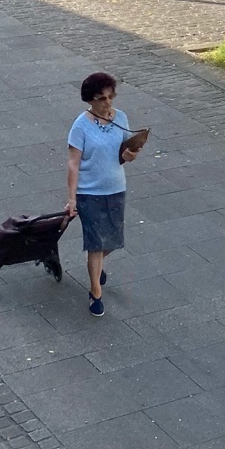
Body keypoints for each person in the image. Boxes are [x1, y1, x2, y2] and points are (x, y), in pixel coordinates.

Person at [65, 71, 132, 317]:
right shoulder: (80, 126)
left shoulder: (121, 118)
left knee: (113, 240)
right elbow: (73, 162)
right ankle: (95, 292)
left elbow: (125, 150)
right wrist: (72, 198)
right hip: (88, 193)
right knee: (95, 243)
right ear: (90, 100)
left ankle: (97, 264)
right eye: (101, 98)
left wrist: (131, 155)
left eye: (110, 96)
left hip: (115, 188)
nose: (108, 102)